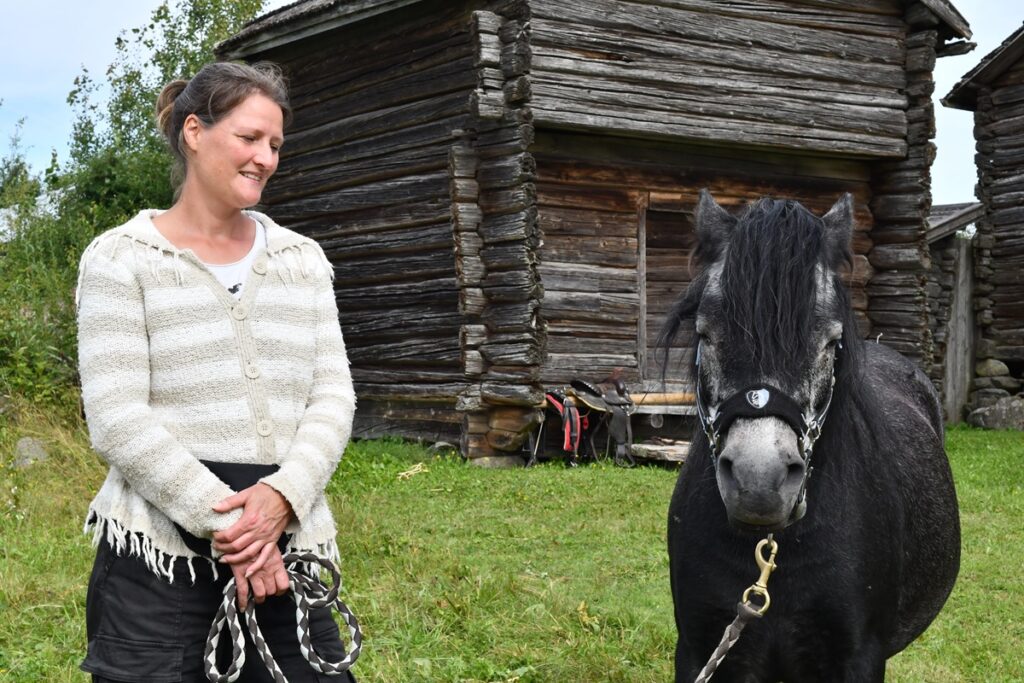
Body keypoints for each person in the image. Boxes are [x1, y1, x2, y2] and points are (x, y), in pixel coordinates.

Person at [75, 61, 357, 682]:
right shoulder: (121, 260)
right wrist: (237, 530)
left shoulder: (301, 261)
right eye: (250, 138)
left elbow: (333, 395)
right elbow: (117, 417)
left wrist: (283, 498)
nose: (265, 157)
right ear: (195, 132)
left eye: (276, 144)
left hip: (287, 539)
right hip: (160, 551)